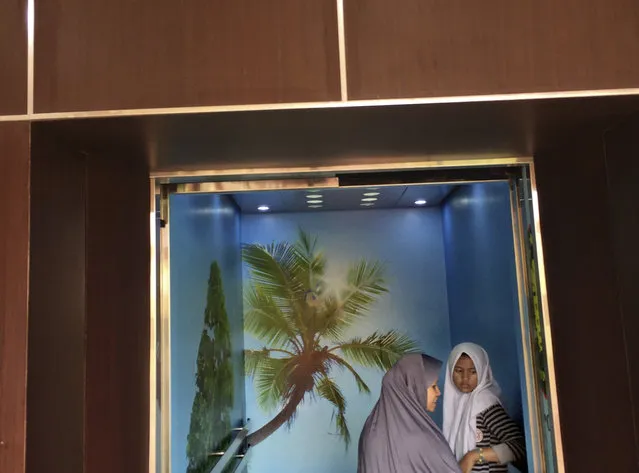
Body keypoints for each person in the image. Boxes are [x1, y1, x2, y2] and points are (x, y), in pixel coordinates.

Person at [358, 353, 462, 473]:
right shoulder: (422, 438)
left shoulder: (370, 430)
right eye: (433, 386)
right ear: (414, 387)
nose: (438, 392)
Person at [443, 343, 526, 473]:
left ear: (482, 371)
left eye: (473, 371)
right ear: (450, 372)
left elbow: (519, 446)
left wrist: (473, 456)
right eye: (459, 371)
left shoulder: (485, 404)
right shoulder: (459, 405)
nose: (465, 378)